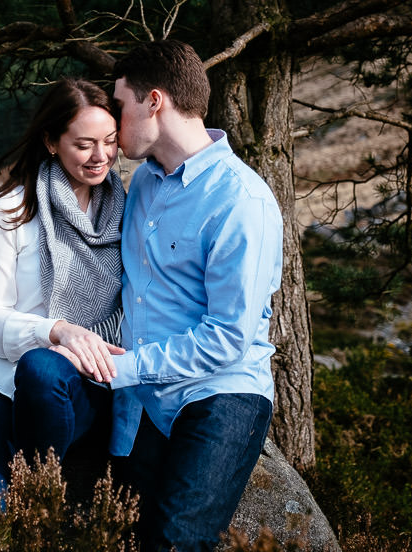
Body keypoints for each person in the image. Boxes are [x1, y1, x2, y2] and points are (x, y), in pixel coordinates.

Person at [107, 40, 284, 552]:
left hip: (221, 394)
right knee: (128, 539)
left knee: (176, 542)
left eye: (120, 106)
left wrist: (126, 368)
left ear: (154, 102)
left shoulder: (240, 199)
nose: (114, 121)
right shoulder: (141, 183)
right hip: (146, 401)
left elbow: (228, 338)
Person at [0, 78, 126, 518]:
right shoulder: (10, 211)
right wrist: (55, 330)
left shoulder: (131, 210)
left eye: (110, 141)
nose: (100, 156)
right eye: (83, 145)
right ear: (50, 141)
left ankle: (42, 491)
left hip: (72, 381)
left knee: (42, 368)